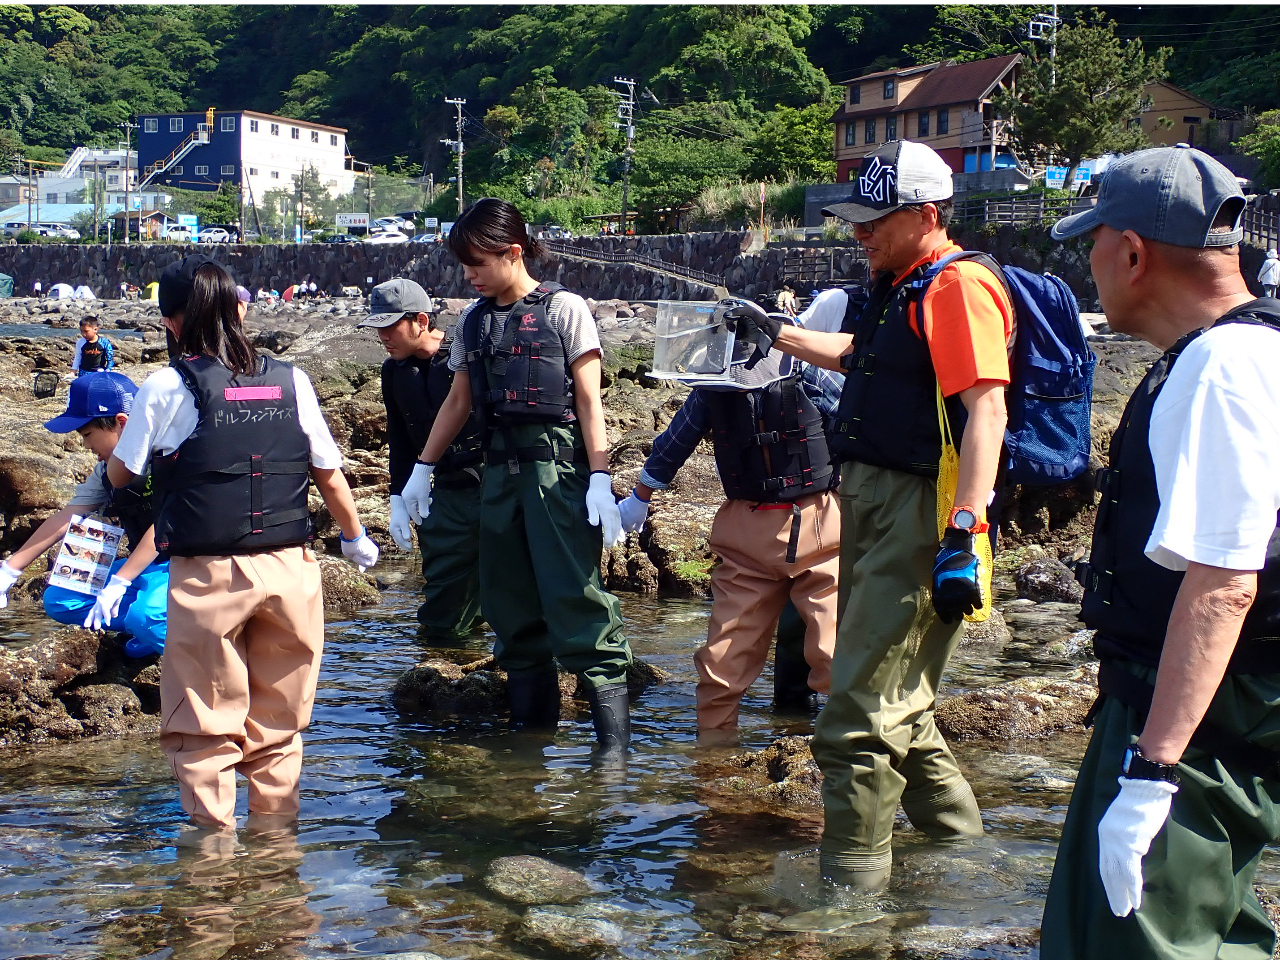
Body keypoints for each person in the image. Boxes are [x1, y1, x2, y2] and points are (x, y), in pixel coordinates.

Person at [727, 140, 1014, 889]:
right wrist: (778, 332)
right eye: (855, 222)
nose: (859, 235)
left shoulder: (956, 288)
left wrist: (964, 528)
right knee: (899, 706)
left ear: (925, 214)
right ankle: (964, 861)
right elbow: (865, 357)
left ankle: (849, 900)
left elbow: (987, 409)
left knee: (855, 715)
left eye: (873, 221)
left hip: (919, 509)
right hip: (872, 502)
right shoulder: (904, 285)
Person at [1040, 147, 1280, 958]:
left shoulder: (1222, 367)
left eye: (1094, 242)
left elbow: (1223, 583)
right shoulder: (1252, 348)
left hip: (1198, 717)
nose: (1092, 263)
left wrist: (1153, 771)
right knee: (1211, 926)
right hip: (1219, 708)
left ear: (1133, 251)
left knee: (1135, 939)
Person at [105, 254, 380, 832]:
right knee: (280, 722)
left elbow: (123, 474)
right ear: (240, 310)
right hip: (290, 569)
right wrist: (354, 536)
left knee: (204, 721)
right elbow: (328, 472)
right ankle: (277, 855)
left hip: (210, 575)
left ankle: (212, 862)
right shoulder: (292, 379)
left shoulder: (164, 386)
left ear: (173, 323)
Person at [399, 198, 632, 755]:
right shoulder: (473, 322)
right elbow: (457, 402)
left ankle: (615, 753)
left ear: (513, 252)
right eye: (464, 265)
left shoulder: (565, 309)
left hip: (556, 471)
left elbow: (588, 399)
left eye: (477, 262)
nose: (469, 275)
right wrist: (421, 471)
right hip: (497, 478)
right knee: (509, 605)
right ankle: (530, 748)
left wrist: (599, 475)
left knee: (575, 596)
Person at [617, 320, 842, 738]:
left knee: (834, 652)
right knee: (721, 664)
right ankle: (713, 770)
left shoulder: (805, 366)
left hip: (820, 527)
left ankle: (846, 762)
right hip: (745, 534)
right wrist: (639, 497)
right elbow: (675, 441)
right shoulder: (710, 384)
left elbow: (857, 419)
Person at [0, 372, 167, 657]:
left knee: (147, 618)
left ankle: (169, 630)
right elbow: (67, 517)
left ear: (121, 422)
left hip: (188, 565)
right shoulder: (106, 471)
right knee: (60, 600)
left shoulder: (168, 457)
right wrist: (10, 570)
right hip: (147, 567)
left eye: (88, 434)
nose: (86, 446)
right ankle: (147, 626)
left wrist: (120, 581)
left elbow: (168, 523)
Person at [361, 277, 485, 642]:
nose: (383, 336)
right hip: (441, 492)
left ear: (421, 320)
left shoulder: (463, 359)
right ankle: (447, 660)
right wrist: (396, 498)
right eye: (377, 328)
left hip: (490, 478)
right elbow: (399, 439)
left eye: (390, 326)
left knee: (509, 587)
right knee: (443, 599)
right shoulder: (394, 372)